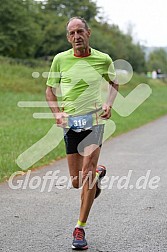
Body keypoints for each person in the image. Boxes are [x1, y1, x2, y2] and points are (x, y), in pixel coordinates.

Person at [46, 16, 118, 250]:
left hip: (94, 121)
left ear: (89, 33)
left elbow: (114, 83)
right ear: (68, 37)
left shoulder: (102, 59)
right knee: (77, 182)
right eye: (72, 33)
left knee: (86, 174)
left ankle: (80, 228)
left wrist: (109, 104)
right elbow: (49, 91)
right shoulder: (60, 60)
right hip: (71, 124)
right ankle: (97, 174)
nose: (76, 37)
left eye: (80, 31)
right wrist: (57, 113)